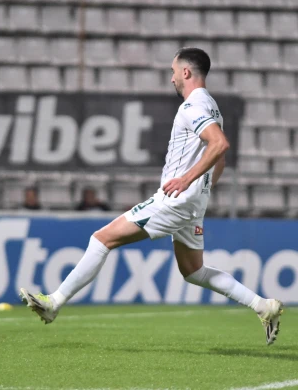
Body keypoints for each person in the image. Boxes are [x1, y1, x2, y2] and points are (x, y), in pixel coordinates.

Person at [20, 47, 283, 346]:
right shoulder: (212, 107)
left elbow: (219, 145)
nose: (172, 78)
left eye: (173, 71)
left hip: (175, 200)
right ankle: (263, 306)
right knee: (193, 271)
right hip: (192, 202)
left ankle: (54, 303)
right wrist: (202, 190)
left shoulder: (191, 106)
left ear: (186, 72)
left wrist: (186, 180)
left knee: (102, 239)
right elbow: (219, 158)